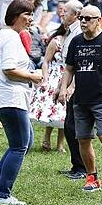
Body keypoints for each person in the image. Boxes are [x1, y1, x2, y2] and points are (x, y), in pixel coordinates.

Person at [57, 5, 102, 193]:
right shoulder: (76, 42)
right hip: (81, 100)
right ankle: (92, 178)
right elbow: (70, 69)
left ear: (99, 20)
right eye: (81, 18)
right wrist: (63, 89)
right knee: (83, 139)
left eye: (88, 18)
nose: (83, 22)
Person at [0, 0, 43, 205]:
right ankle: (2, 195)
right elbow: (9, 70)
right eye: (27, 15)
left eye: (32, 15)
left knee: (26, 142)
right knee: (19, 145)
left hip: (6, 96)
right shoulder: (10, 38)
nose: (31, 19)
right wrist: (32, 77)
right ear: (16, 15)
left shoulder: (8, 35)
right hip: (8, 96)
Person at [54, 0, 87, 179]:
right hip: (70, 84)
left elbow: (78, 66)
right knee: (68, 126)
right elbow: (68, 66)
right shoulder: (70, 32)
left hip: (79, 87)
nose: (62, 14)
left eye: (65, 11)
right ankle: (76, 165)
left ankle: (82, 168)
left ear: (75, 15)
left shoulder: (77, 34)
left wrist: (70, 87)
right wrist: (60, 87)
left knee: (74, 126)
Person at [31, 23, 67, 152]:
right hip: (54, 75)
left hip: (67, 77)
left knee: (63, 111)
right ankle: (46, 138)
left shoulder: (75, 42)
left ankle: (60, 143)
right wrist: (45, 79)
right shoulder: (56, 42)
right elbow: (45, 61)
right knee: (52, 108)